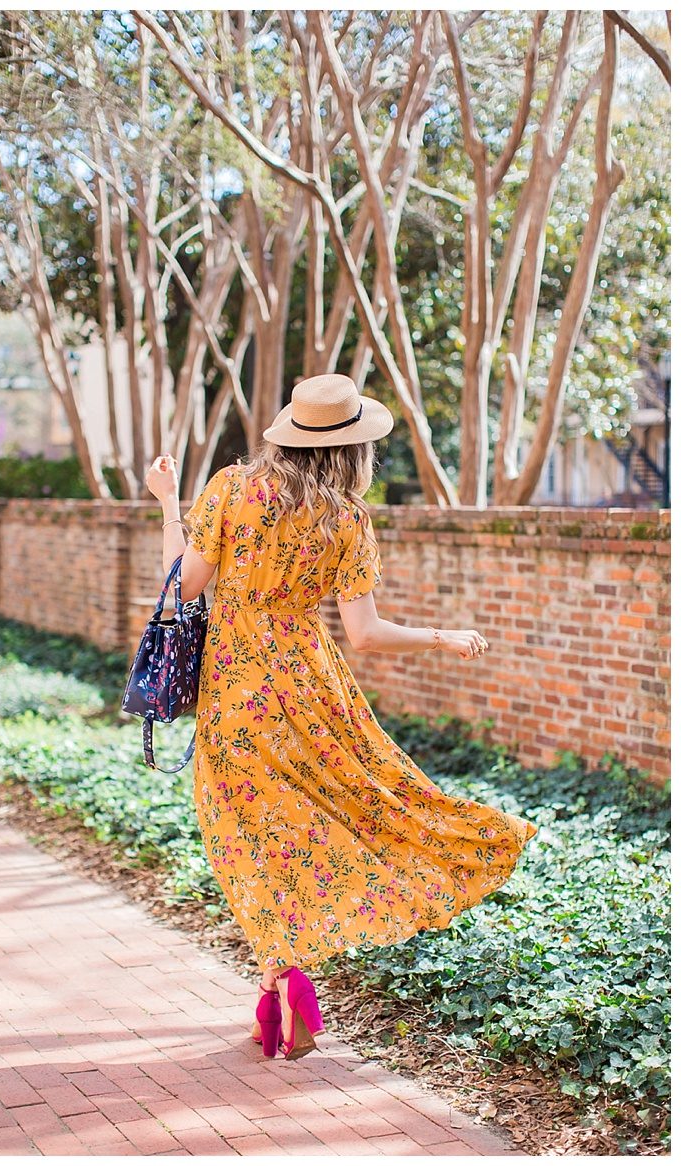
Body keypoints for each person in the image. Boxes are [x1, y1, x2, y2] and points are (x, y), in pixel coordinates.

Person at [145, 372, 538, 1062]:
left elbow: (179, 588)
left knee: (249, 836)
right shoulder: (348, 519)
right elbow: (365, 634)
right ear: (354, 448)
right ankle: (278, 989)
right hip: (311, 689)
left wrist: (168, 507)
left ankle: (286, 980)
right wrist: (439, 635)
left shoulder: (233, 489)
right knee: (358, 807)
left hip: (238, 690)